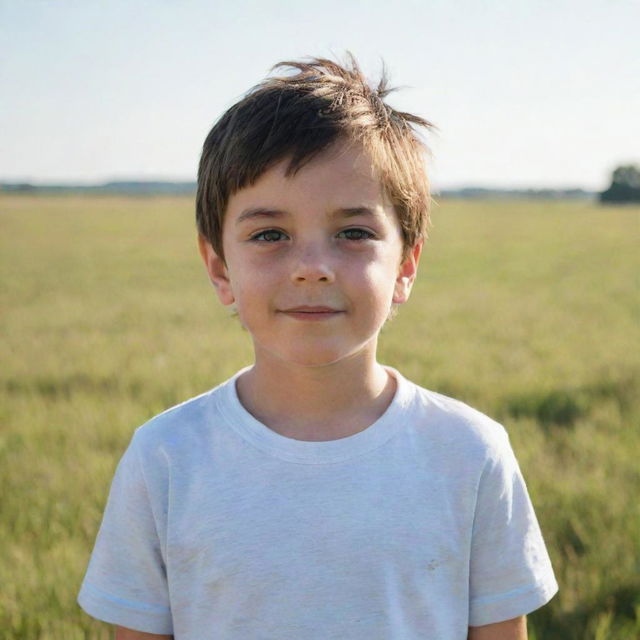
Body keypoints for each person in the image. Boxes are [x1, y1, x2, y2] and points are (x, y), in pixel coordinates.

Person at [78, 54, 558, 640]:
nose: (311, 268)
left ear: (406, 264)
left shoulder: (469, 454)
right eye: (269, 235)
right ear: (219, 267)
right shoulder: (166, 459)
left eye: (353, 233)